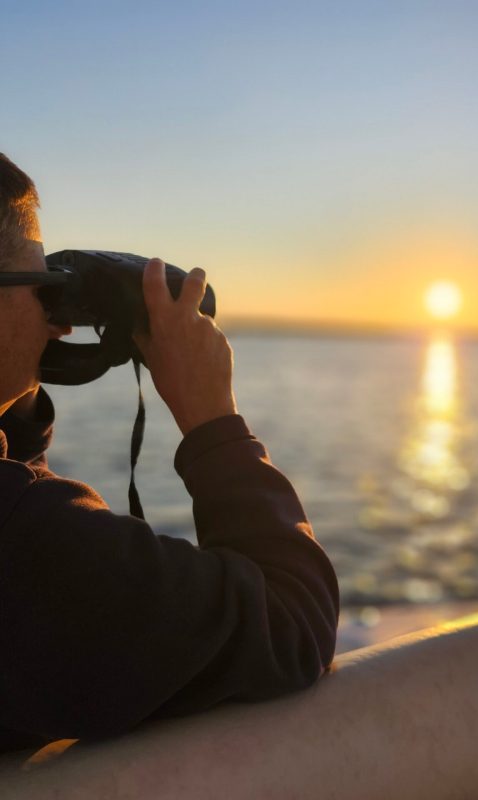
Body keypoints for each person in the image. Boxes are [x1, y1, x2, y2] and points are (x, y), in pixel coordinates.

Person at [0, 153, 339, 755]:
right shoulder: (32, 544)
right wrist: (214, 421)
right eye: (42, 286)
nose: (57, 323)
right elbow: (293, 627)